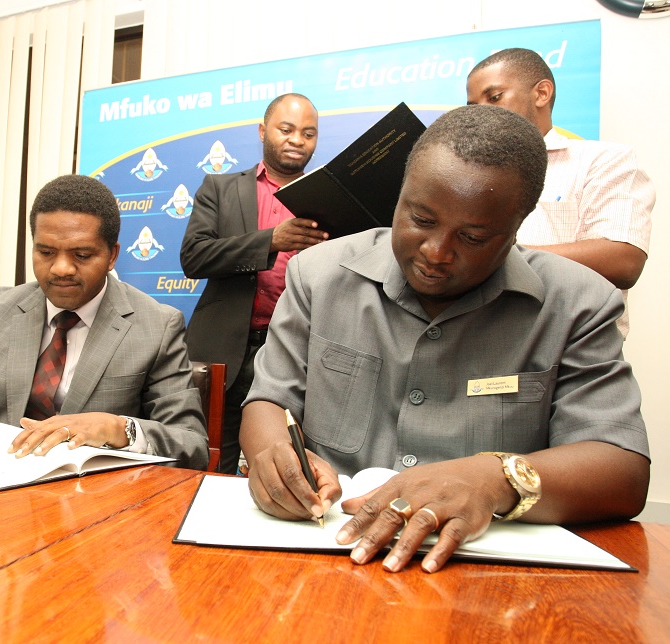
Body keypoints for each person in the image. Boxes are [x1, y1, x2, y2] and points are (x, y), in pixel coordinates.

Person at [239, 105, 649, 574]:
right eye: (421, 219)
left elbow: (622, 471)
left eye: (473, 238)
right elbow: (269, 400)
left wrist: (494, 478)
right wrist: (273, 456)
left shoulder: (578, 303)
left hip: (485, 579)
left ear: (518, 225)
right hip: (326, 557)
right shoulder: (318, 275)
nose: (436, 252)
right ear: (400, 196)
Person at [0, 174, 208, 470]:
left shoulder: (156, 326)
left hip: (96, 501)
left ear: (112, 256)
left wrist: (119, 429)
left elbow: (190, 442)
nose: (61, 268)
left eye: (81, 255)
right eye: (45, 252)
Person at [180, 93, 328, 474]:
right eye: (286, 129)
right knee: (209, 466)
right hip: (225, 352)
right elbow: (194, 257)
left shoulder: (329, 199)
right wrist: (271, 241)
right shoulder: (220, 187)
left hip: (297, 353)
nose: (297, 140)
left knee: (288, 468)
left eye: (308, 133)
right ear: (263, 131)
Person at [466, 47, 655, 336]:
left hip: (570, 348)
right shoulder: (467, 175)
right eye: (472, 106)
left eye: (494, 97)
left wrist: (495, 255)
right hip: (479, 342)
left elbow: (623, 260)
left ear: (542, 93)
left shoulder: (603, 160)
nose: (481, 114)